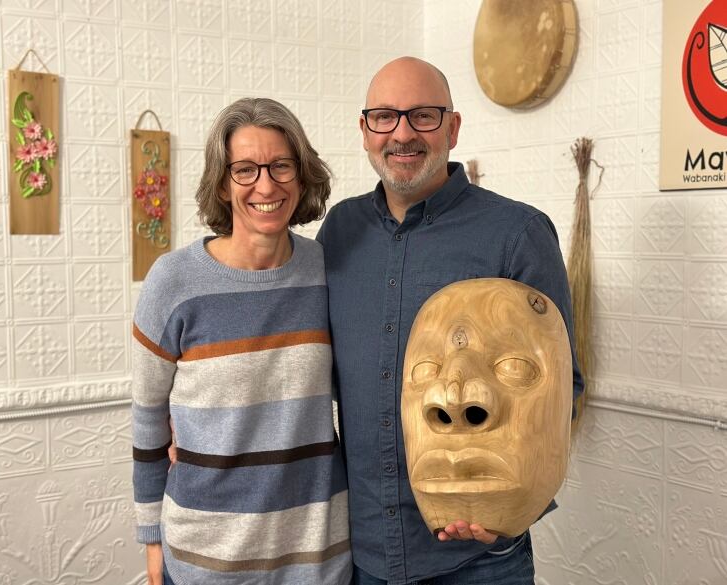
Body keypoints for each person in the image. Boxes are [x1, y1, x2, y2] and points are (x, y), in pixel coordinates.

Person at [316, 56, 584, 585]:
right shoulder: (338, 232)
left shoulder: (518, 232)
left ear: (453, 128)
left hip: (480, 562)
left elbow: (562, 383)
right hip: (362, 553)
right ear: (365, 131)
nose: (403, 134)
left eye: (424, 116)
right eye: (385, 118)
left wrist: (516, 508)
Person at [132, 97, 352, 585]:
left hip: (318, 559)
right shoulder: (174, 281)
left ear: (302, 173)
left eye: (280, 166)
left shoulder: (328, 271)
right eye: (246, 170)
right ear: (222, 182)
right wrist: (151, 537)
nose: (266, 185)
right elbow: (149, 417)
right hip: (206, 562)